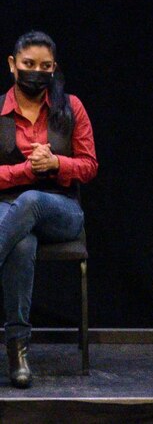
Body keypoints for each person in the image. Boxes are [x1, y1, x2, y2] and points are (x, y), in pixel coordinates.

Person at [0, 31, 96, 388]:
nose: (36, 72)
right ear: (13, 65)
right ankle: (17, 350)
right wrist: (26, 171)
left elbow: (89, 166)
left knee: (31, 200)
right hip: (7, 210)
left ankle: (17, 348)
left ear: (54, 69)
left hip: (61, 210)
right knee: (21, 243)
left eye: (45, 66)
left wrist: (56, 163)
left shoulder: (71, 108)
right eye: (28, 65)